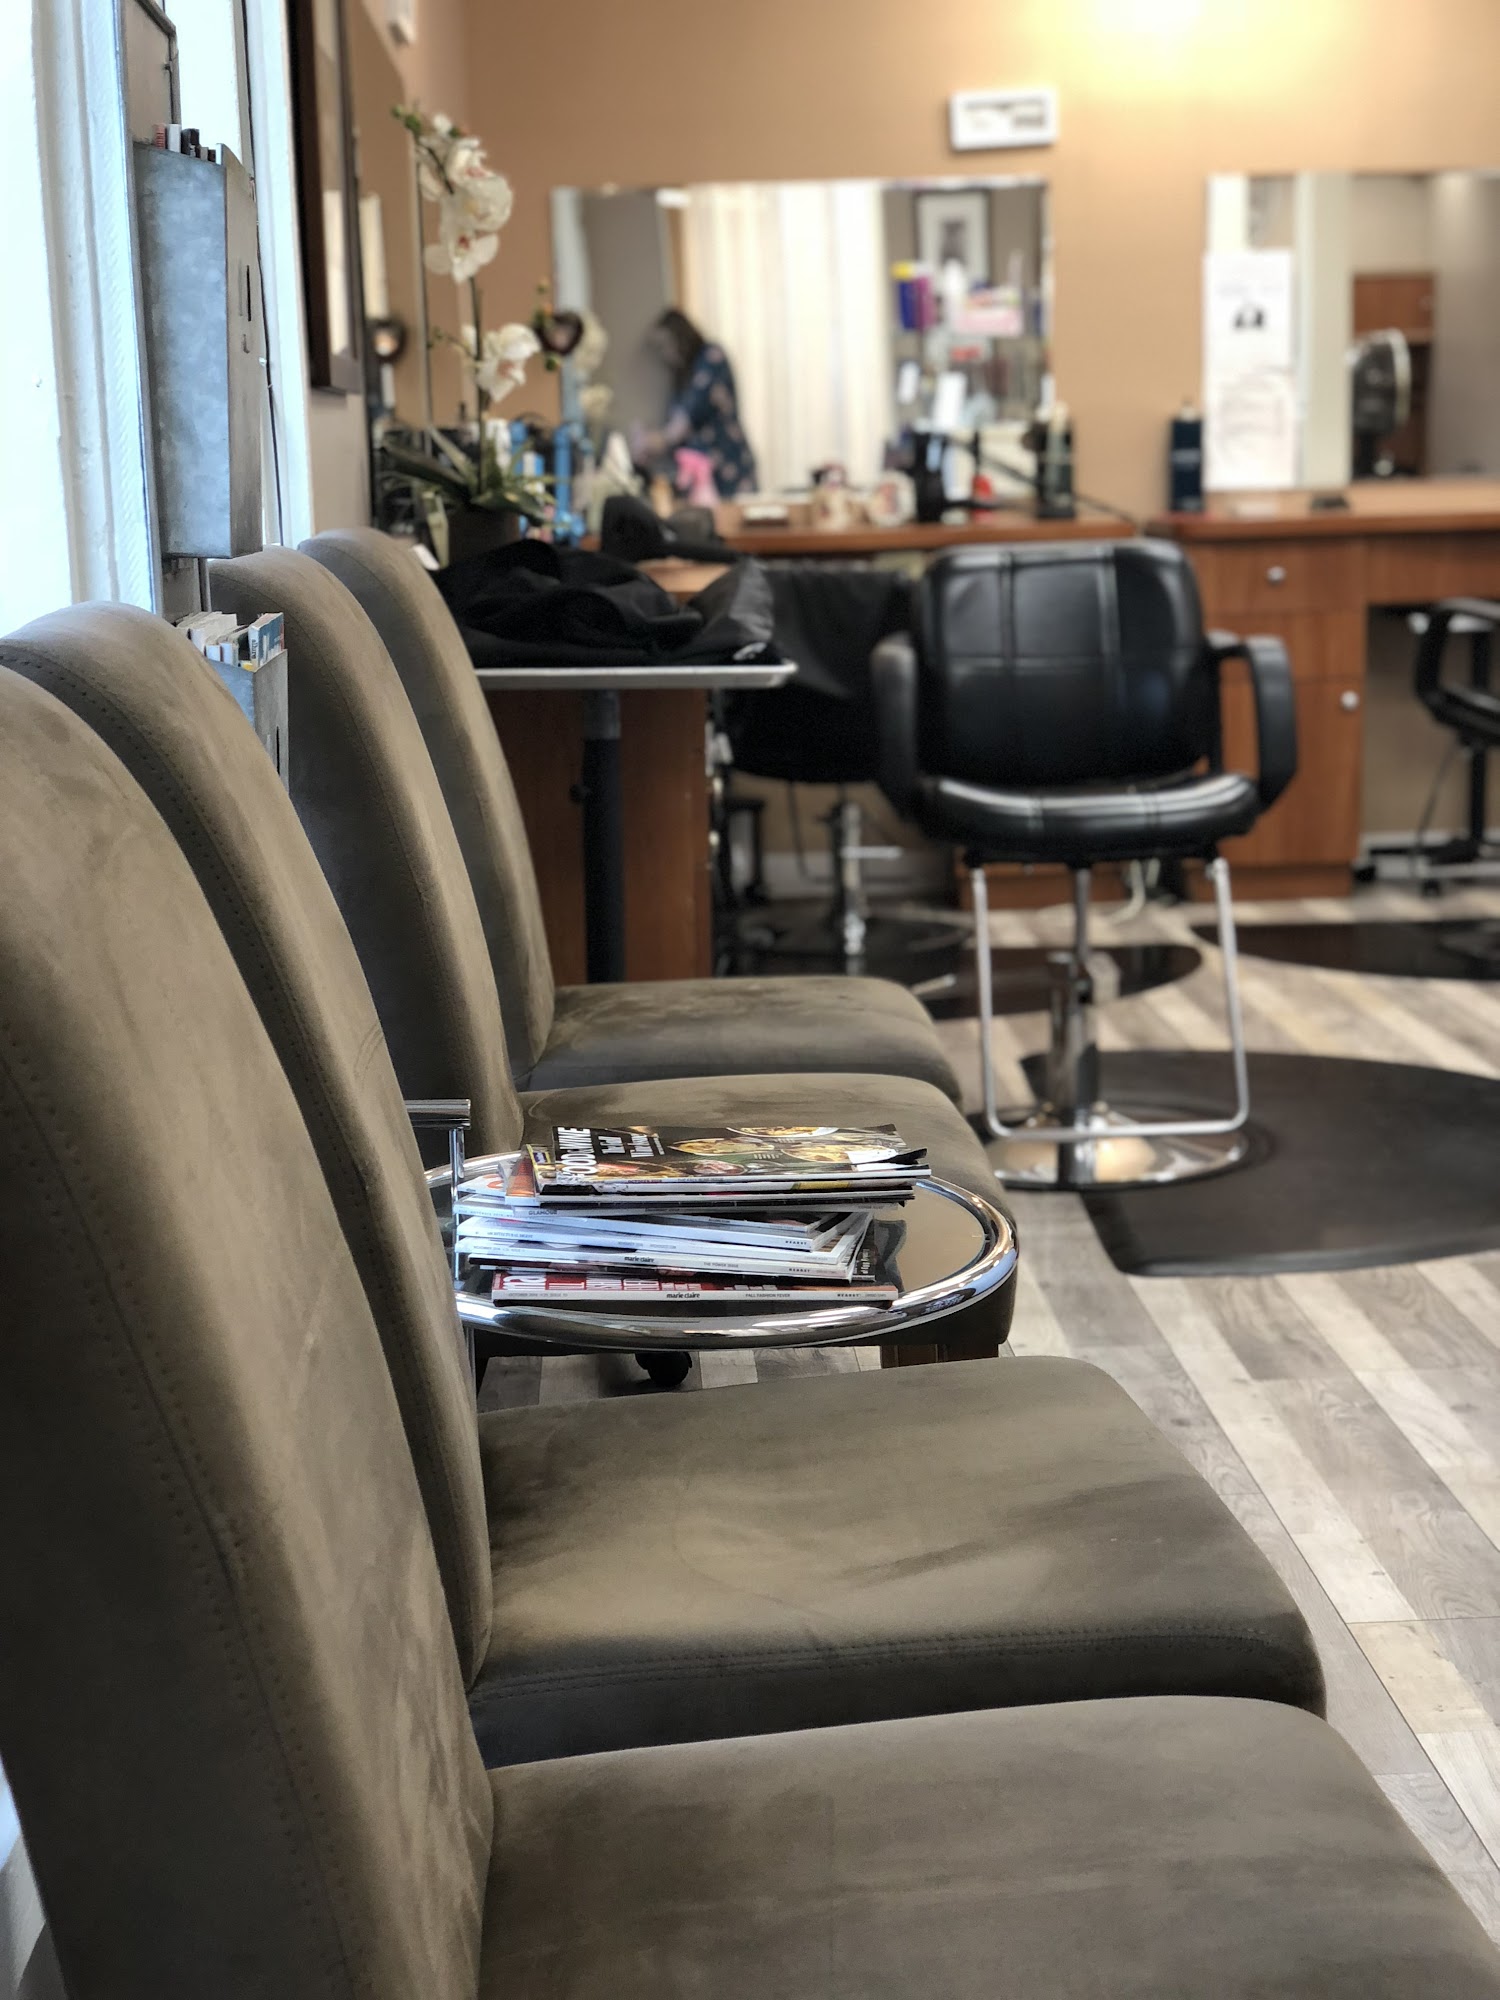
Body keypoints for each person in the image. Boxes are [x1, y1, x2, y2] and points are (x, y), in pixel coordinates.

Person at [635, 307, 759, 498]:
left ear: (680, 336)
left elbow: (689, 416)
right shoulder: (682, 377)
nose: (665, 354)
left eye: (665, 345)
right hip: (697, 474)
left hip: (726, 464)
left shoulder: (711, 357)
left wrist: (656, 441)